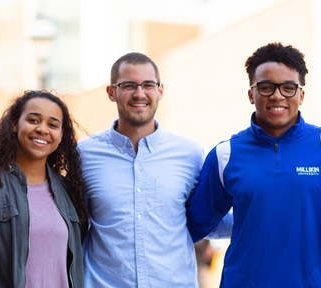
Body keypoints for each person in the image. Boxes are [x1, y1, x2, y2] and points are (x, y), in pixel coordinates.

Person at [186, 42, 321, 287]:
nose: (277, 96)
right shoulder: (225, 154)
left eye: (288, 88)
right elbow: (197, 224)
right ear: (251, 94)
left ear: (301, 94)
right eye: (266, 87)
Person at [79, 52, 230, 287]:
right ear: (111, 92)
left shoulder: (190, 154)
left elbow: (206, 220)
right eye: (129, 85)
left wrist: (263, 217)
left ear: (160, 90)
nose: (140, 94)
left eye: (148, 85)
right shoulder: (83, 155)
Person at [0, 90, 87, 288]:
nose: (43, 129)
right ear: (15, 124)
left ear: (61, 135)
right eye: (33, 120)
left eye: (52, 125)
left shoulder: (69, 190)